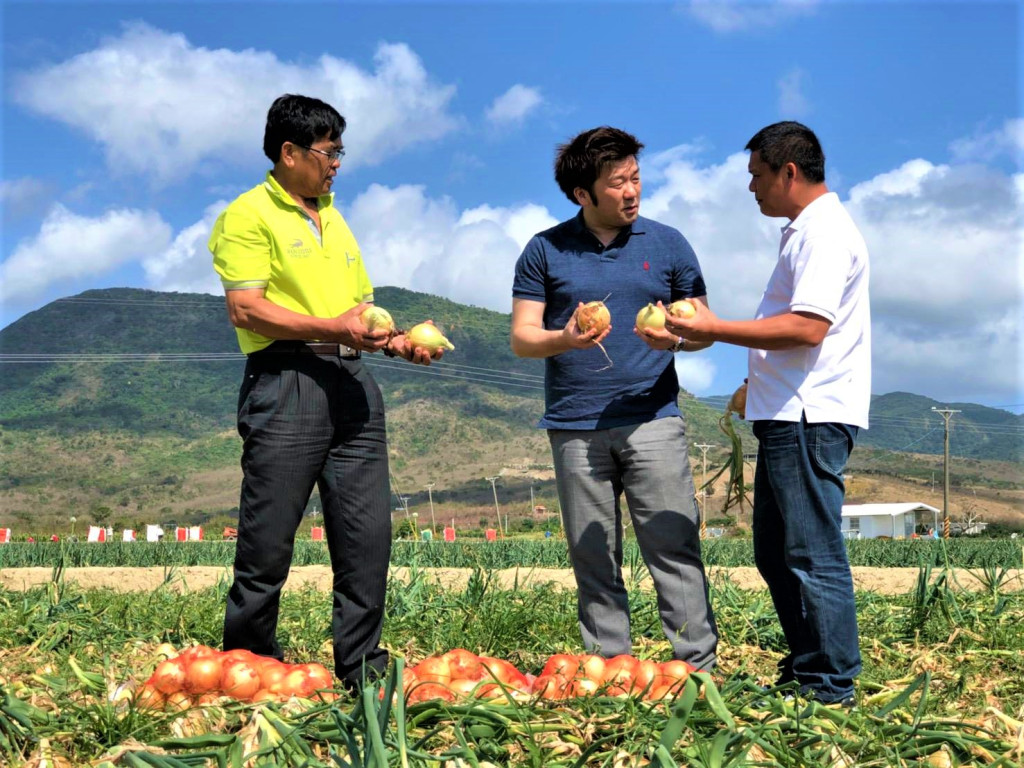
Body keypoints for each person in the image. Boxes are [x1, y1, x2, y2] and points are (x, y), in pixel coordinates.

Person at [209, 94, 442, 690]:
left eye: (340, 151)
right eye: (328, 151)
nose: (337, 163)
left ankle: (363, 667)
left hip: (351, 381)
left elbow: (360, 314)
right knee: (267, 541)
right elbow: (246, 309)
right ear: (289, 153)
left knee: (367, 537)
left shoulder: (335, 218)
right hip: (286, 379)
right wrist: (332, 326)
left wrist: (395, 343)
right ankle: (250, 667)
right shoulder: (247, 215)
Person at [664, 121, 870, 704]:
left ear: (789, 172)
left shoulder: (823, 234)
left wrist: (711, 327)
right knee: (776, 551)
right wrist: (758, 380)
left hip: (809, 415)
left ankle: (830, 681)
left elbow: (808, 326)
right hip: (787, 410)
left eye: (756, 174)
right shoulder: (803, 232)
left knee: (809, 552)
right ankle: (810, 665)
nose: (751, 187)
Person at [510, 126, 718, 671]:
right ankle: (609, 670)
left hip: (653, 419)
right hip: (575, 425)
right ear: (583, 193)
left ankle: (697, 670)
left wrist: (675, 337)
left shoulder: (668, 243)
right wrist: (566, 339)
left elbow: (703, 328)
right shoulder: (544, 250)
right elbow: (523, 337)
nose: (632, 192)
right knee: (593, 557)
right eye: (617, 183)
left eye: (636, 178)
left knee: (673, 546)